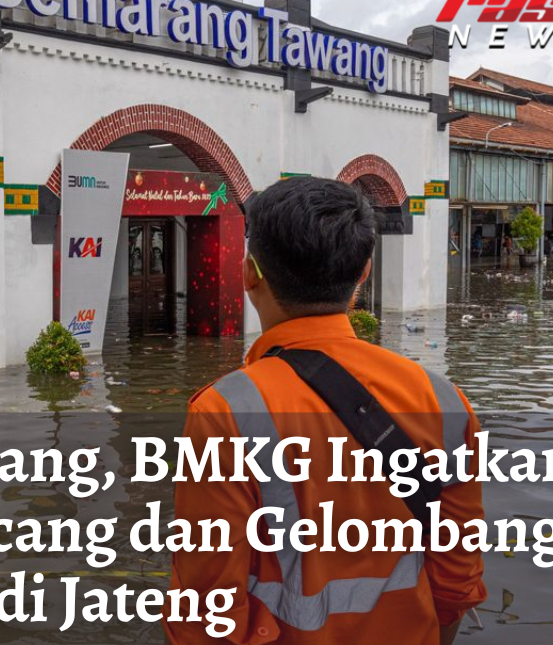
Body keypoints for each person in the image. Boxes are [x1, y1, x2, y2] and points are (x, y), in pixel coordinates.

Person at [167, 178, 486, 645]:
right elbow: (457, 579)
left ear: (248, 273)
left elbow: (207, 612)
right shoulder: (443, 401)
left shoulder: (225, 413)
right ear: (365, 272)